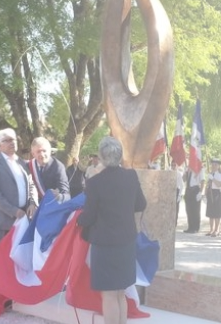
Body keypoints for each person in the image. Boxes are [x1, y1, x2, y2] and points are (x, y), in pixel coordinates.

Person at [77, 136, 147, 324]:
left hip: (104, 244)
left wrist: (77, 219)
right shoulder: (131, 176)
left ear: (100, 157)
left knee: (108, 295)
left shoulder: (95, 183)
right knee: (120, 292)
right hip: (126, 242)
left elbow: (88, 217)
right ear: (120, 155)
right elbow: (141, 203)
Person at [0, 128, 38, 249]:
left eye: (13, 139)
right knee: (0, 262)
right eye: (6, 140)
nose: (11, 142)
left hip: (22, 220)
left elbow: (31, 184)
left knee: (17, 264)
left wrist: (33, 203)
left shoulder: (22, 163)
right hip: (1, 222)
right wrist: (14, 211)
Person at [27, 137, 70, 202]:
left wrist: (58, 196)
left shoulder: (58, 167)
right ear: (33, 154)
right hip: (33, 206)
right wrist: (32, 203)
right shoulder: (28, 166)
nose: (42, 154)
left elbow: (67, 195)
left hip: (50, 206)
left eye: (44, 151)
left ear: (50, 151)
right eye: (38, 151)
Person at [182, 162, 206, 234]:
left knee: (195, 210)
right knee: (188, 210)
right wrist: (185, 173)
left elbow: (202, 181)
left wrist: (200, 192)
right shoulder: (188, 170)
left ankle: (195, 227)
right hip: (188, 190)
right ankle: (190, 227)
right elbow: (184, 180)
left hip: (195, 189)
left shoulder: (199, 169)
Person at [205, 159, 221, 237]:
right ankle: (211, 229)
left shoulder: (220, 174)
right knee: (210, 213)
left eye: (215, 165)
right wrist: (205, 194)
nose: (213, 166)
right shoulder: (210, 174)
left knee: (217, 213)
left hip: (217, 193)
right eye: (212, 165)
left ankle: (217, 230)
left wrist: (213, 178)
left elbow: (219, 184)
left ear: (218, 166)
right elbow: (208, 184)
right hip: (210, 193)